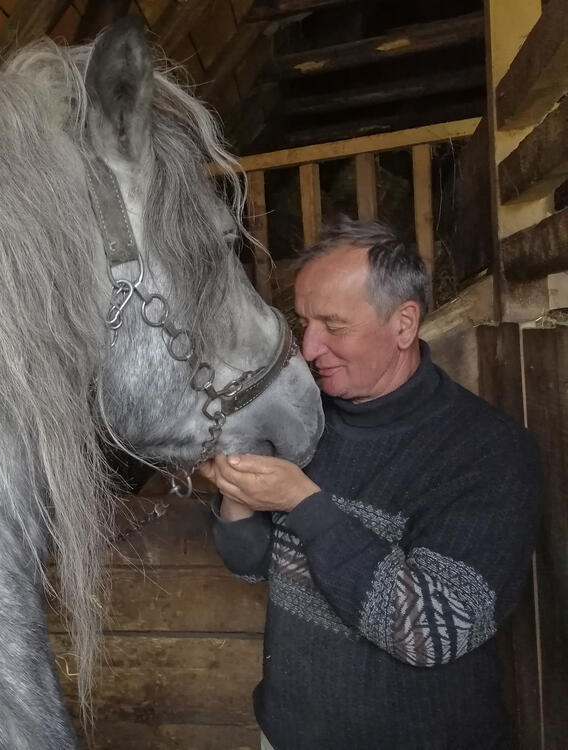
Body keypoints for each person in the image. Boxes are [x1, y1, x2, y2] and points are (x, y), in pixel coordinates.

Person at [200, 218, 540, 750]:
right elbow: (252, 569)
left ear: (404, 324)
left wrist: (303, 504)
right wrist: (236, 493)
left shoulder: (488, 452)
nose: (309, 349)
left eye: (333, 326)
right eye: (303, 323)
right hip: (285, 734)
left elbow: (430, 631)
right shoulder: (310, 423)